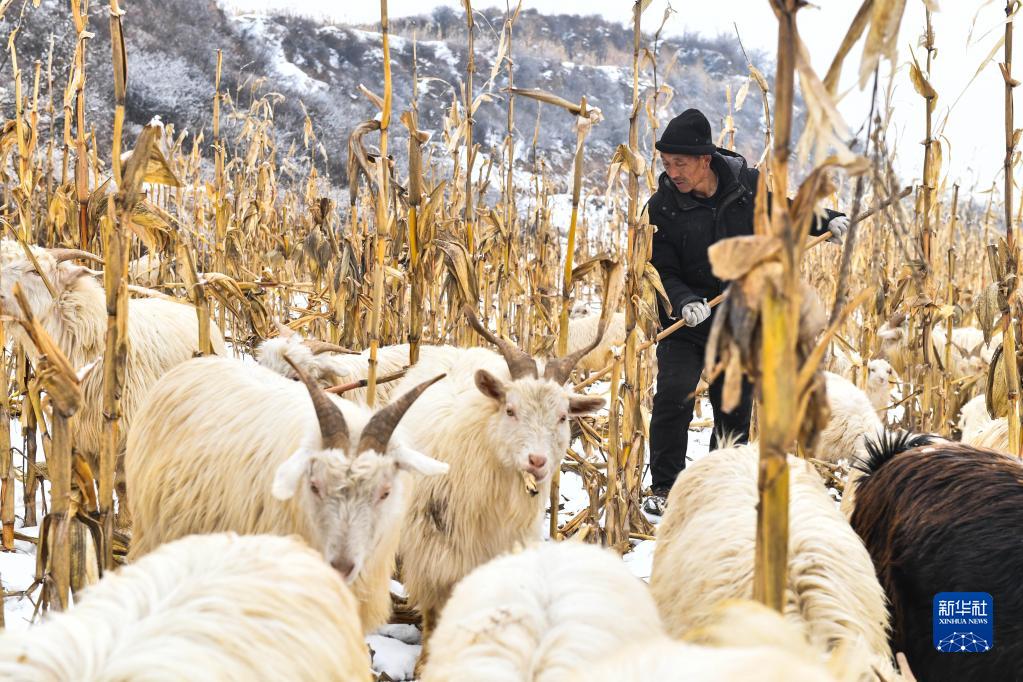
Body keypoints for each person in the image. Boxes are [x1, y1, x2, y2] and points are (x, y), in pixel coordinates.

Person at [643, 108, 849, 515]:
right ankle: (665, 488)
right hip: (685, 320)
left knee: (734, 403)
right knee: (673, 396)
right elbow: (661, 268)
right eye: (666, 164)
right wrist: (684, 301)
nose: (672, 172)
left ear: (704, 159)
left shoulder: (746, 186)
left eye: (680, 163)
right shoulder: (662, 206)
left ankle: (725, 482)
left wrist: (828, 221)